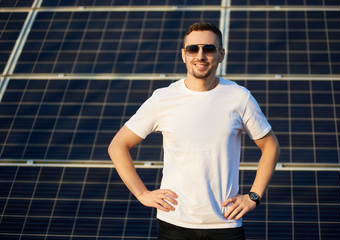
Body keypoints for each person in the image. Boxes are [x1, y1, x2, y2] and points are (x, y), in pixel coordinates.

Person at [108, 22, 280, 240]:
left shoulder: (239, 97)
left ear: (221, 54)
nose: (200, 55)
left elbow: (271, 146)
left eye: (209, 49)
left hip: (225, 224)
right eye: (193, 49)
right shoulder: (163, 99)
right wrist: (142, 193)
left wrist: (253, 196)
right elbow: (118, 146)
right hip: (174, 223)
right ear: (183, 55)